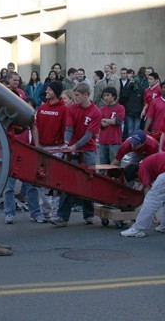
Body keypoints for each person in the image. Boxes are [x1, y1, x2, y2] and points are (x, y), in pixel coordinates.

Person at [50, 83, 100, 227]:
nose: (75, 98)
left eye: (77, 96)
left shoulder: (95, 112)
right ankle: (62, 217)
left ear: (85, 95)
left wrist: (74, 146)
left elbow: (89, 135)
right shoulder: (72, 108)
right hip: (72, 147)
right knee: (68, 181)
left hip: (88, 149)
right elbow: (69, 128)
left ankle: (89, 215)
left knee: (89, 180)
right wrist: (66, 143)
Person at [4, 71, 42, 223]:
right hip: (10, 143)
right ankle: (9, 213)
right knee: (9, 186)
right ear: (8, 81)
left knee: (31, 183)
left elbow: (30, 120)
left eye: (18, 80)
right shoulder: (4, 94)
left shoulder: (22, 94)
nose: (16, 82)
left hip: (24, 142)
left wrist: (36, 145)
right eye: (14, 80)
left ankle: (35, 212)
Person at [119, 151, 165, 237]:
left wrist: (151, 212)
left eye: (136, 180)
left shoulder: (142, 169)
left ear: (136, 173)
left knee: (151, 198)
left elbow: (147, 190)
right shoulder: (144, 163)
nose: (137, 182)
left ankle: (138, 228)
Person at [33, 81, 67, 221]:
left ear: (56, 92)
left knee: (55, 182)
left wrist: (65, 146)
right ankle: (45, 211)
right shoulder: (42, 108)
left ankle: (55, 213)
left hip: (57, 148)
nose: (46, 91)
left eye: (49, 89)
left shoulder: (64, 109)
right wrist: (37, 145)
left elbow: (66, 129)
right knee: (42, 182)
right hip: (42, 148)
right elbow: (35, 127)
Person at [98, 87, 125, 165]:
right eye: (104, 96)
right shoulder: (101, 109)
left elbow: (117, 121)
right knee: (103, 163)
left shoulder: (120, 108)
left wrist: (105, 119)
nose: (105, 97)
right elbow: (101, 124)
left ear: (113, 96)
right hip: (103, 140)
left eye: (108, 95)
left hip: (115, 141)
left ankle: (114, 177)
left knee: (114, 164)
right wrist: (111, 121)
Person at [121, 69, 144, 138]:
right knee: (130, 128)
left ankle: (135, 141)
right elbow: (124, 97)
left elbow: (143, 101)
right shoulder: (128, 88)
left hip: (138, 112)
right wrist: (128, 87)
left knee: (136, 128)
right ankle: (130, 142)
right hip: (129, 112)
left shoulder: (141, 90)